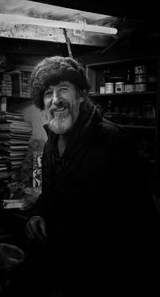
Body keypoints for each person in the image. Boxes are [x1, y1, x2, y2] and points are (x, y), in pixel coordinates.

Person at [22, 56, 159, 296]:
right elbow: (51, 194)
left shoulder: (114, 141)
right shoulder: (50, 144)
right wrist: (37, 214)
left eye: (63, 89)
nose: (56, 100)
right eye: (48, 94)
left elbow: (142, 220)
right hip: (61, 267)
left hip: (103, 277)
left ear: (81, 95)